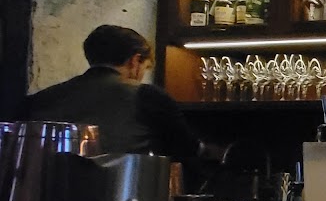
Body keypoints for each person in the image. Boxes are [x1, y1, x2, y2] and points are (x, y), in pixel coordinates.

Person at [25, 25, 205, 162]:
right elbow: (186, 149)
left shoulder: (41, 98)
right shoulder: (148, 96)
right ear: (135, 61)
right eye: (145, 67)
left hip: (48, 196)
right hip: (119, 193)